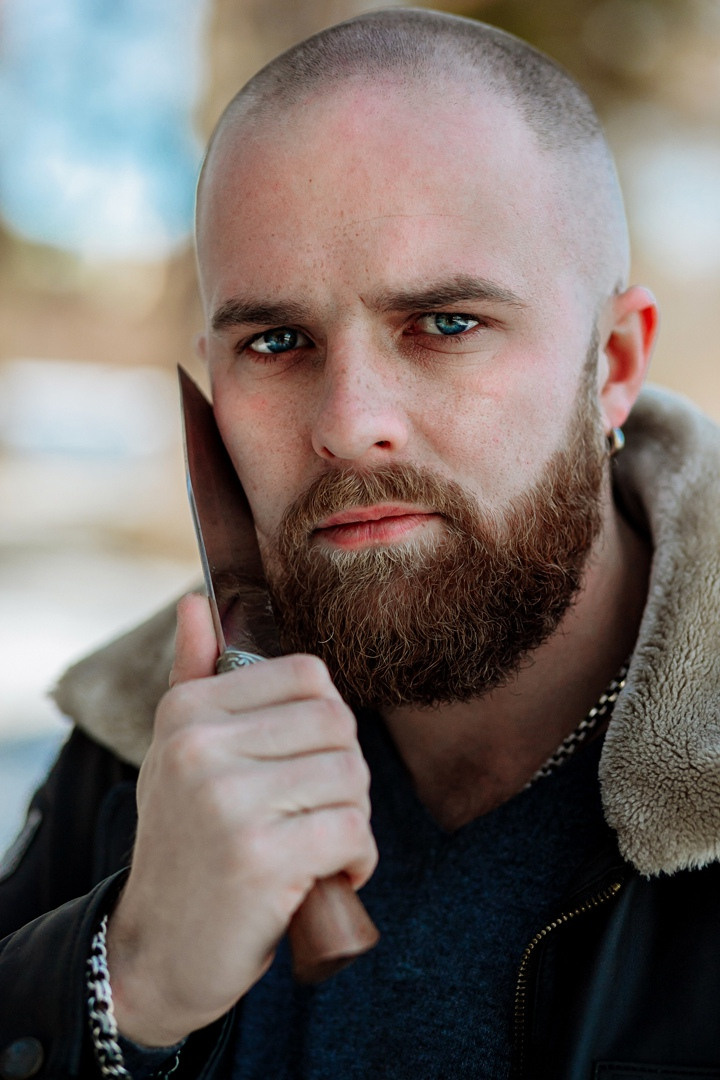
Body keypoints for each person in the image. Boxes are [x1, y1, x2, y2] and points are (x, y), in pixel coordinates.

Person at [2, 8, 720, 1079]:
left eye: (447, 325)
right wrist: (123, 981)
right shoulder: (137, 746)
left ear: (612, 363)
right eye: (277, 342)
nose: (348, 421)